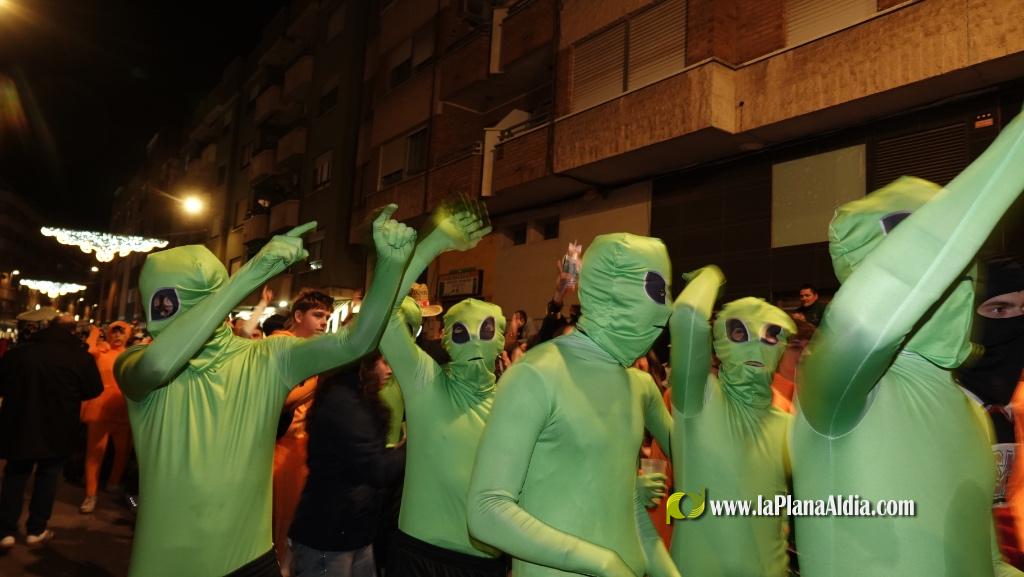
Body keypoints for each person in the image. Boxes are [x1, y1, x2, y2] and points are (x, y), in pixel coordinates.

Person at [114, 206, 415, 577]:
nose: (162, 316)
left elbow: (358, 342)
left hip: (250, 563)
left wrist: (389, 268)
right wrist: (251, 274)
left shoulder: (269, 356)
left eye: (173, 302)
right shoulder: (134, 362)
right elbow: (160, 365)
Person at [791, 108, 1024, 577]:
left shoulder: (968, 411)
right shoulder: (837, 390)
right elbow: (874, 306)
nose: (951, 277)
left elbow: (983, 552)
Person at [467, 233, 678, 577]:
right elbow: (486, 510)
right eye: (655, 290)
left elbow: (629, 505)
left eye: (667, 291)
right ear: (610, 289)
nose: (666, 306)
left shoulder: (634, 386)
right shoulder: (536, 375)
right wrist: (604, 563)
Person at [377, 201, 507, 577]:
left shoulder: (514, 400)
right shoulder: (426, 383)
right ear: (446, 341)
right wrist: (433, 245)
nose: (473, 344)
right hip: (417, 555)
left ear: (501, 340)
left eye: (485, 333)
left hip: (484, 562)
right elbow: (381, 316)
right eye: (461, 334)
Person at [668, 265, 796, 576]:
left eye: (770, 336)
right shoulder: (698, 398)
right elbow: (687, 316)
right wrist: (712, 276)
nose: (756, 345)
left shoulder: (789, 425)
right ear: (719, 340)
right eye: (740, 332)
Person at [288, 353, 406, 577]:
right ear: (364, 363)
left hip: (350, 530)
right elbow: (376, 468)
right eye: (383, 362)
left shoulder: (354, 397)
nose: (389, 370)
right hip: (329, 536)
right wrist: (407, 449)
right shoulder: (344, 403)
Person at [0, 314, 102, 549]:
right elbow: (93, 389)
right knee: (48, 477)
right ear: (73, 330)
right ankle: (36, 529)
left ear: (47, 328)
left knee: (15, 475)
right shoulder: (79, 357)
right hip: (59, 426)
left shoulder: (19, 354)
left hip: (20, 424)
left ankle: (5, 530)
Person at [270, 288, 335, 572]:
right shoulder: (280, 345)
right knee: (280, 517)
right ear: (298, 316)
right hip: (282, 447)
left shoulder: (311, 351)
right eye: (318, 315)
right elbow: (282, 400)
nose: (324, 322)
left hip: (304, 447)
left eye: (327, 317)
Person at [80, 321, 134, 514]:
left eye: (121, 332)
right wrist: (95, 332)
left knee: (122, 451)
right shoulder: (101, 352)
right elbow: (88, 349)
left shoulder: (131, 355)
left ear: (128, 335)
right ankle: (91, 494)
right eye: (114, 332)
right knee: (95, 453)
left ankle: (114, 482)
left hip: (123, 409)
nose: (117, 336)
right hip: (100, 409)